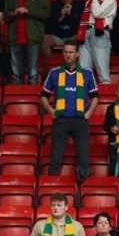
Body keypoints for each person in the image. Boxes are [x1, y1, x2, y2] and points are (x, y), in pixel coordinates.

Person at [40, 41, 99, 181]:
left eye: (71, 52)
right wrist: (50, 110)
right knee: (56, 157)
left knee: (84, 158)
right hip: (61, 120)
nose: (68, 55)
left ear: (77, 54)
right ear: (62, 53)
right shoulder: (54, 73)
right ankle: (52, 188)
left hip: (80, 120)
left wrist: (88, 114)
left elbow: (95, 97)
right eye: (66, 52)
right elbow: (43, 96)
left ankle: (83, 192)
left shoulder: (87, 73)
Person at [4, 0, 52, 85]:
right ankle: (17, 100)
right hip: (15, 38)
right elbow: (6, 17)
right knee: (16, 74)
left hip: (33, 37)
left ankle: (33, 100)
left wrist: (28, 11)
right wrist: (14, 13)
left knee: (33, 72)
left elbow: (46, 13)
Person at [78, 0, 114, 83]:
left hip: (100, 33)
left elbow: (98, 14)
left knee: (103, 74)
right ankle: (83, 99)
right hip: (85, 33)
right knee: (83, 73)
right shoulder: (88, 2)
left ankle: (106, 98)